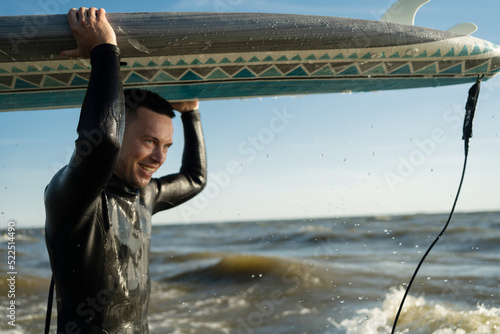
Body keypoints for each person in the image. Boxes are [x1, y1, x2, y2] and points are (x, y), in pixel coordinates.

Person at [44, 7, 207, 333]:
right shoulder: (75, 198)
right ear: (121, 133)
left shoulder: (145, 194)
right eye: (149, 141)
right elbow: (102, 141)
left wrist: (191, 115)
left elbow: (195, 178)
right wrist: (104, 51)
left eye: (166, 146)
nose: (160, 157)